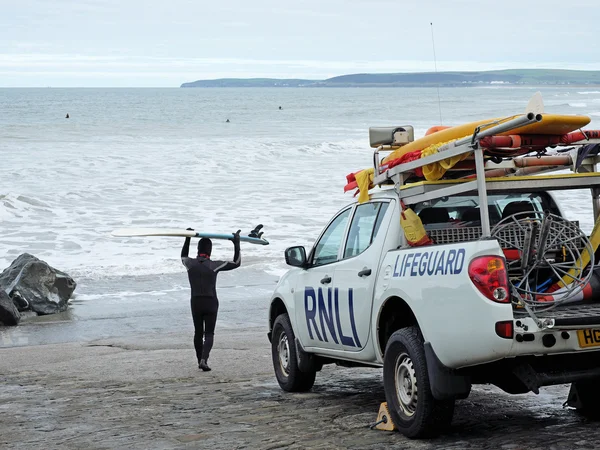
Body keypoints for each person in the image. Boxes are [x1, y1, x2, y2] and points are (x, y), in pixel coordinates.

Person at [181, 229, 241, 371]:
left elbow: (183, 256)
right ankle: (204, 359)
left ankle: (199, 360)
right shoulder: (214, 265)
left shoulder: (190, 264)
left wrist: (187, 238)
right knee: (209, 333)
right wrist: (236, 243)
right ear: (210, 251)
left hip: (196, 302)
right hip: (211, 302)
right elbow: (237, 262)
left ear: (198, 249)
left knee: (198, 332)